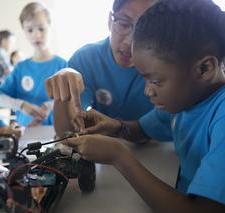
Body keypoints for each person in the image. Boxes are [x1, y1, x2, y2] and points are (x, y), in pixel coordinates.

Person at [62, 0, 225, 213]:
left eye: (155, 81)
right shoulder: (189, 97)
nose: (147, 92)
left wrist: (119, 156)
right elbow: (143, 129)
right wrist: (116, 126)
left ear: (205, 68)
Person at [45, 0, 156, 136]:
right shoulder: (85, 60)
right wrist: (63, 94)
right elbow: (67, 131)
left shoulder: (162, 66)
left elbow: (162, 127)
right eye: (124, 24)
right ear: (110, 20)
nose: (130, 42)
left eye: (143, 29)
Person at [0, 2, 67, 127]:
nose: (36, 35)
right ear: (23, 31)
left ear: (50, 26)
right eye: (29, 30)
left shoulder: (63, 65)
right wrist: (21, 105)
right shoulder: (20, 68)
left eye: (41, 28)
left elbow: (75, 99)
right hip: (26, 133)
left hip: (57, 131)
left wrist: (50, 105)